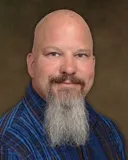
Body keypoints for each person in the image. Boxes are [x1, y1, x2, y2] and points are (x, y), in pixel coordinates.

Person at [0, 9, 126, 160]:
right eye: (54, 54)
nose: (69, 68)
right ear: (32, 64)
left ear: (93, 64)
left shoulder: (108, 132)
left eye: (81, 55)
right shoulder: (9, 144)